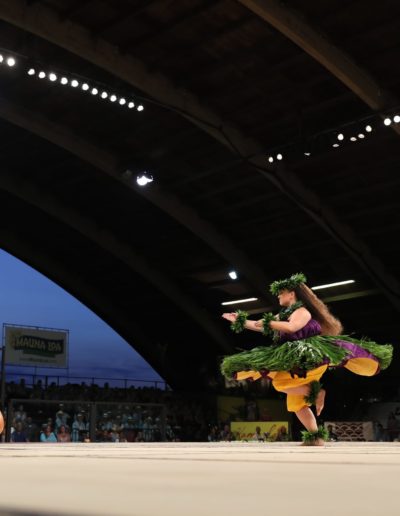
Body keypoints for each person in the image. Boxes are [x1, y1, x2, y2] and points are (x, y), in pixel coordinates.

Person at [221, 273, 393, 446]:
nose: (278, 295)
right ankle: (316, 437)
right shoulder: (285, 313)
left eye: (281, 292)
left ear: (292, 294)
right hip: (297, 361)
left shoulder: (302, 312)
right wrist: (240, 320)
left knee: (279, 384)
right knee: (296, 404)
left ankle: (317, 392)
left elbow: (292, 327)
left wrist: (269, 323)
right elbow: (259, 325)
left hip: (307, 357)